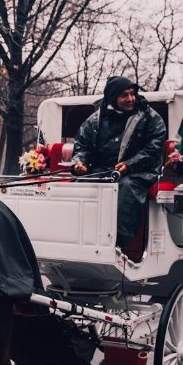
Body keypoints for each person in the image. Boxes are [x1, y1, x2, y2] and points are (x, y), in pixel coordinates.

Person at [71, 76, 167, 250]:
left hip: (139, 172)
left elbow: (154, 147)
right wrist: (79, 163)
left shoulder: (151, 118)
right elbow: (82, 145)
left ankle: (117, 245)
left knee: (127, 188)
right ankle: (77, 238)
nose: (131, 99)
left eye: (133, 94)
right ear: (113, 97)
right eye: (125, 95)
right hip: (103, 170)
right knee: (79, 186)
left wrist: (130, 164)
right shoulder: (95, 120)